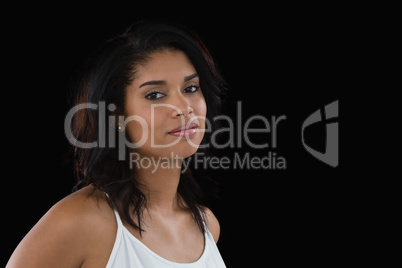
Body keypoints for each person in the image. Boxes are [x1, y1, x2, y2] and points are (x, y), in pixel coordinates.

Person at [7, 20, 227, 267]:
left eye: (190, 88)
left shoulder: (207, 226)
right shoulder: (82, 221)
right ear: (117, 115)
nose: (184, 108)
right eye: (155, 94)